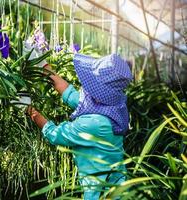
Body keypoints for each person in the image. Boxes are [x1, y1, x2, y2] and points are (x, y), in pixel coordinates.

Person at [27, 52, 133, 199]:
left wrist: (27, 108)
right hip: (119, 186)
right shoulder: (114, 107)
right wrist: (43, 64)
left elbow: (55, 134)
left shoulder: (93, 124)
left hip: (101, 193)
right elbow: (71, 95)